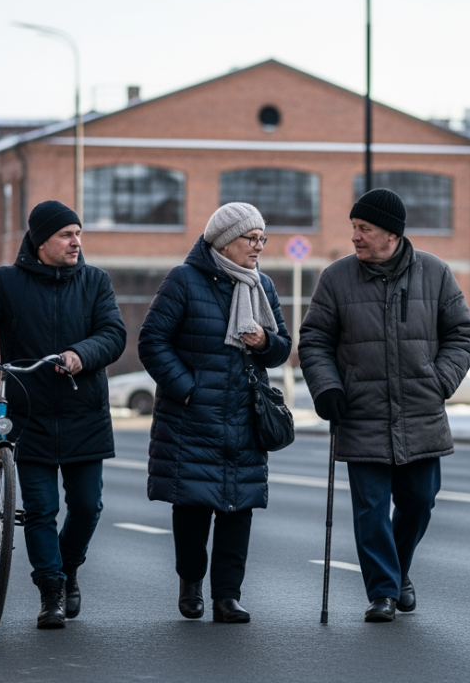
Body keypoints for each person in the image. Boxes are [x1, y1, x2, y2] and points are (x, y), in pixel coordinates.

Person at [0, 200, 126, 630]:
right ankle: (50, 590)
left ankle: (67, 569)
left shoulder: (95, 282)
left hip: (83, 411)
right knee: (39, 510)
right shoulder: (7, 284)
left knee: (88, 507)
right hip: (29, 414)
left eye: (78, 233)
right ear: (41, 241)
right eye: (67, 234)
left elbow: (113, 334)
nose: (76, 241)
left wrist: (80, 354)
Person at [299, 188, 470, 622]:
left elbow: (462, 334)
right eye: (354, 228)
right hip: (360, 412)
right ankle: (382, 592)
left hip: (421, 412)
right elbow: (314, 340)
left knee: (420, 501)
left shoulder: (435, 274)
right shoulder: (336, 278)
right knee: (371, 510)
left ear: (392, 235)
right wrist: (327, 388)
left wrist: (439, 381)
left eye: (365, 228)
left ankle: (397, 574)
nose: (355, 237)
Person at [138, 202, 291, 624]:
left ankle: (227, 597)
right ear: (225, 241)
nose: (258, 246)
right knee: (192, 505)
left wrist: (263, 342)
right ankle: (191, 582)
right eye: (251, 238)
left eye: (262, 238)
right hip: (193, 416)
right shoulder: (184, 281)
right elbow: (152, 342)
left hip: (245, 414)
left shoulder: (262, 286)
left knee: (238, 508)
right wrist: (188, 389)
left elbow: (282, 347)